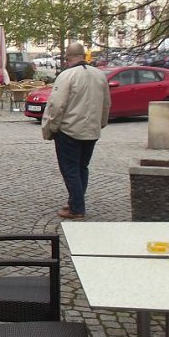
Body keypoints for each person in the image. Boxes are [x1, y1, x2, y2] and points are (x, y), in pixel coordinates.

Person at [41, 42, 111, 220]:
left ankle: (77, 207)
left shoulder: (67, 76)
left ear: (68, 58)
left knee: (70, 169)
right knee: (82, 168)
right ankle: (75, 201)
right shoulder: (100, 75)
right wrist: (101, 123)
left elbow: (57, 105)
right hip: (92, 131)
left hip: (69, 130)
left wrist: (51, 127)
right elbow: (106, 103)